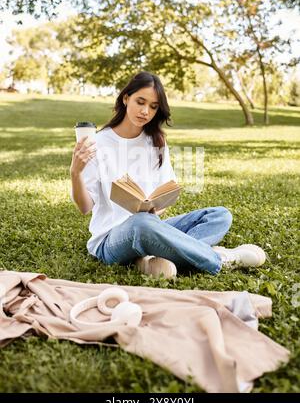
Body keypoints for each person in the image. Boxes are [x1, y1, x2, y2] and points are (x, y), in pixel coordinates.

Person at [70, 71, 266, 279]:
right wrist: (75, 172)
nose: (145, 111)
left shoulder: (156, 142)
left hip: (151, 226)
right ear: (126, 98)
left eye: (153, 106)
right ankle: (219, 259)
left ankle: (147, 260)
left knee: (219, 216)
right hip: (110, 239)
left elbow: (164, 195)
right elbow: (85, 207)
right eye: (140, 102)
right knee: (141, 224)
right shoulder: (97, 143)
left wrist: (155, 206)